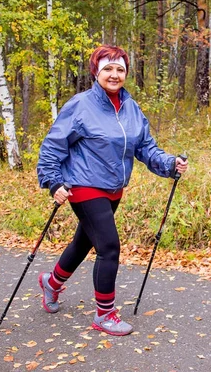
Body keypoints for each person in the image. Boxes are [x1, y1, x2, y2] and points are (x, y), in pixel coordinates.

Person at [36, 44, 188, 336]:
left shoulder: (130, 108)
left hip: (114, 188)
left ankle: (51, 283)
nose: (114, 74)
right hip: (82, 185)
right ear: (96, 71)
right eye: (108, 68)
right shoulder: (80, 105)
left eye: (120, 69)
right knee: (109, 248)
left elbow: (145, 147)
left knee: (84, 243)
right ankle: (104, 314)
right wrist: (53, 181)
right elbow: (53, 146)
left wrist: (170, 164)